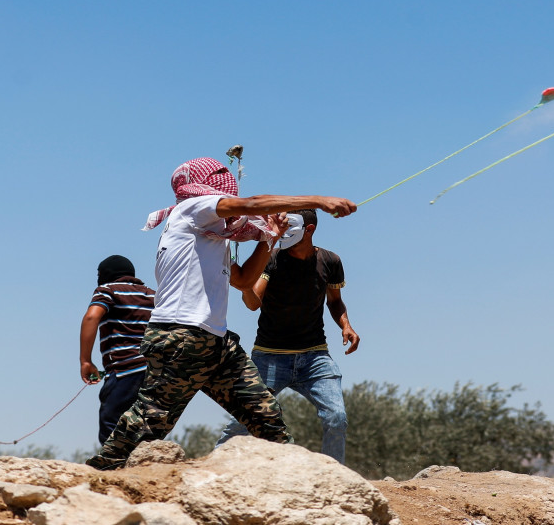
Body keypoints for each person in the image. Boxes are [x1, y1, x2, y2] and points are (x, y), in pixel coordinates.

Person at [86, 157, 356, 470]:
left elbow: (242, 280)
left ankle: (289, 483)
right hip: (181, 337)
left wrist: (269, 239)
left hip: (215, 342)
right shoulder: (192, 209)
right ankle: (97, 476)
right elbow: (252, 203)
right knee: (148, 421)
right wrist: (318, 201)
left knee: (264, 414)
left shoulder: (210, 235)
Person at [216, 208, 359, 463]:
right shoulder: (272, 258)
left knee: (337, 418)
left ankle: (336, 478)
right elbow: (253, 302)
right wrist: (244, 287)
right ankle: (211, 468)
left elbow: (335, 301)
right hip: (270, 358)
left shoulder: (331, 261)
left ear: (309, 230)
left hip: (315, 358)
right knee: (243, 421)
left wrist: (346, 325)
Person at [80, 255, 156, 444]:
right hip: (156, 372)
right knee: (146, 428)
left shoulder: (106, 290)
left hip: (125, 370)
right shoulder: (153, 294)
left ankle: (113, 470)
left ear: (105, 275)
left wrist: (86, 361)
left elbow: (91, 318)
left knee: (111, 425)